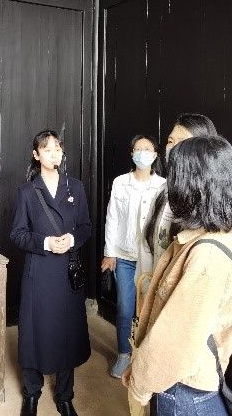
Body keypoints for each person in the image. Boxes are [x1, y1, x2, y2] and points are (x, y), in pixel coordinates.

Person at [123, 135, 232, 416]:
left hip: (186, 394)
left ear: (193, 186)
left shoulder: (206, 255)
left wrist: (140, 383)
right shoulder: (217, 234)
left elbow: (175, 342)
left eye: (175, 177)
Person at [10, 130, 92, 416]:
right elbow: (17, 234)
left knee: (67, 330)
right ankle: (31, 393)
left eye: (57, 148)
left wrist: (72, 239)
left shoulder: (75, 187)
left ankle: (65, 396)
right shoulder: (27, 191)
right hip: (39, 270)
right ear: (36, 155)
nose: (54, 153)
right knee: (33, 332)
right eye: (47, 149)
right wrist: (45, 243)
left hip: (67, 270)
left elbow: (85, 227)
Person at [100, 134, 165, 378]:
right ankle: (124, 354)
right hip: (124, 256)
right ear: (132, 154)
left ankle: (146, 356)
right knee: (125, 308)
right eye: (138, 149)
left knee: (149, 309)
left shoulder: (163, 186)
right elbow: (112, 219)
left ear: (155, 155)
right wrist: (110, 253)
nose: (142, 153)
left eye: (147, 149)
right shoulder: (121, 182)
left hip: (152, 258)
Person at [135, 114, 217, 284]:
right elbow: (147, 247)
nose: (173, 148)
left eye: (182, 142)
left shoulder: (212, 199)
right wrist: (145, 289)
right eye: (170, 141)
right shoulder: (162, 191)